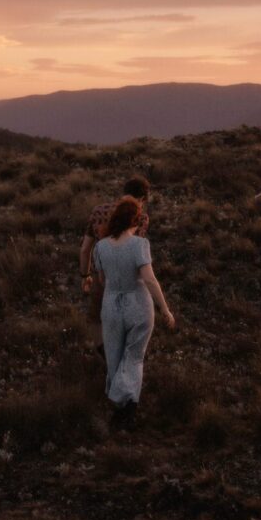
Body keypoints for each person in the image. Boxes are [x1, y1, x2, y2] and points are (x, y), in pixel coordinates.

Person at [92, 196, 176, 429]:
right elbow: (149, 279)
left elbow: (101, 279)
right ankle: (127, 406)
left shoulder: (101, 246)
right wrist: (165, 309)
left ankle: (121, 405)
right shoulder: (140, 245)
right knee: (134, 356)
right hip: (138, 304)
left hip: (111, 305)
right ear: (136, 221)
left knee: (114, 355)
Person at [80, 176, 150, 329]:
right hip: (127, 281)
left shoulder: (99, 211)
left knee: (97, 322)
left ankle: (104, 352)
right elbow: (135, 253)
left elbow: (85, 249)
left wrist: (85, 276)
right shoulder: (141, 218)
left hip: (100, 276)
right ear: (142, 199)